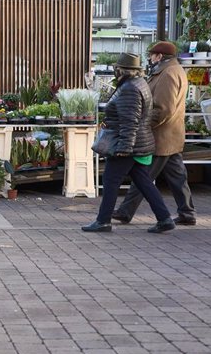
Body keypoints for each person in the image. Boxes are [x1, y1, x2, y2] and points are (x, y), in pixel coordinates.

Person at [82, 53, 176, 234]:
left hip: (127, 143)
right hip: (137, 143)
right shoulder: (138, 84)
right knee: (144, 182)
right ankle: (164, 218)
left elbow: (129, 121)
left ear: (121, 70)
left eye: (116, 69)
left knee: (110, 181)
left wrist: (124, 148)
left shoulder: (129, 89)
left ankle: (103, 221)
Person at [112, 41, 197, 226]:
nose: (150, 58)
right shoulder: (171, 70)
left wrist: (144, 125)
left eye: (152, 54)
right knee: (177, 176)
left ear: (160, 56)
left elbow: (163, 108)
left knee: (142, 175)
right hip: (170, 135)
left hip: (161, 135)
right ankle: (187, 212)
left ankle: (126, 211)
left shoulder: (168, 74)